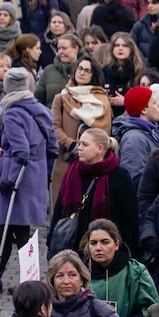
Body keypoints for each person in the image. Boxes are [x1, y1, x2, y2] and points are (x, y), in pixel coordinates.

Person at [0, 67, 56, 290]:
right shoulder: (41, 109)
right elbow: (52, 146)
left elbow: (21, 150)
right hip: (34, 176)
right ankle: (2, 277)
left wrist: (10, 178)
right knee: (16, 230)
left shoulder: (12, 112)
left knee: (11, 229)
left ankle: (23, 280)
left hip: (17, 175)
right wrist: (44, 173)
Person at [56, 128, 138, 255]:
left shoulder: (119, 175)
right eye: (79, 143)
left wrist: (127, 253)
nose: (79, 148)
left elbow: (130, 218)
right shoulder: (73, 170)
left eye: (85, 144)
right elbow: (59, 208)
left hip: (107, 251)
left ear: (100, 149)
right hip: (71, 247)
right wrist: (52, 239)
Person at [49, 56, 112, 205]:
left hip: (94, 162)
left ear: (93, 75)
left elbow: (104, 132)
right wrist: (71, 144)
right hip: (66, 158)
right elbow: (53, 126)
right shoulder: (61, 98)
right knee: (63, 208)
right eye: (80, 68)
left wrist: (88, 147)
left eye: (87, 71)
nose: (82, 73)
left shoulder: (102, 100)